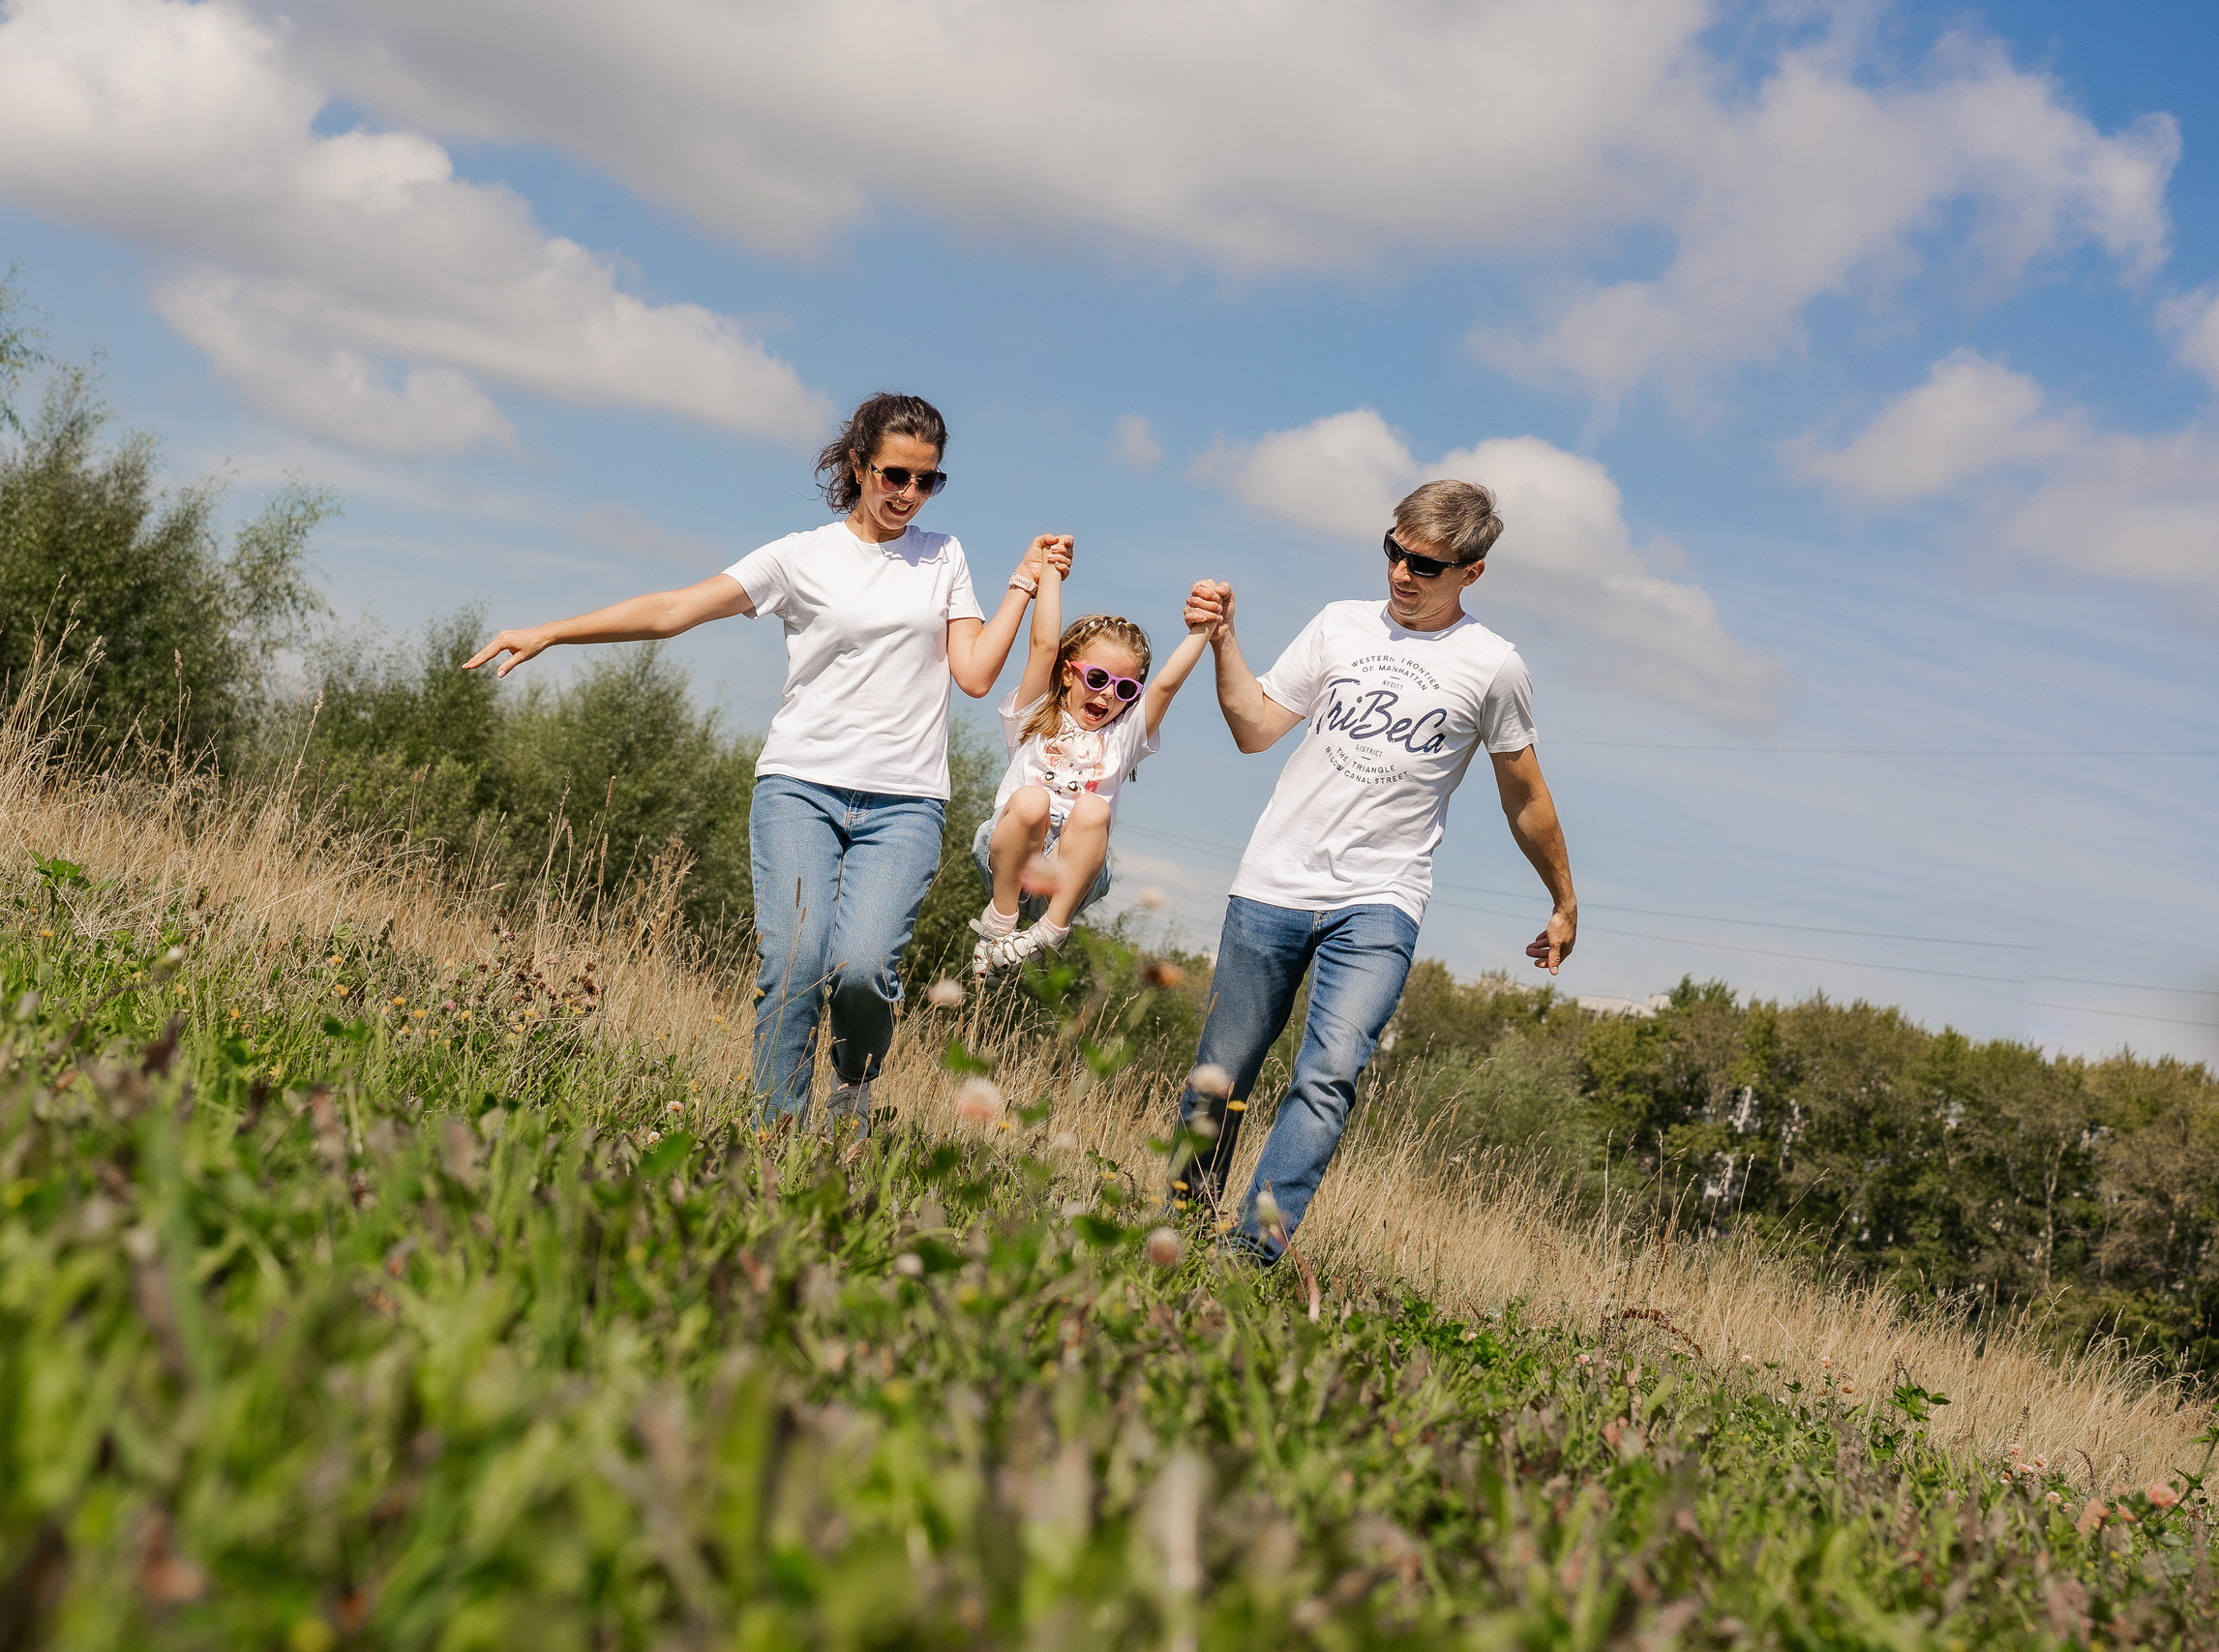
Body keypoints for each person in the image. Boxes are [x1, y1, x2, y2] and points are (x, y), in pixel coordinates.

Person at [462, 391, 1069, 1129]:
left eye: (927, 479)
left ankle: (853, 1081)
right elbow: (673, 609)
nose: (909, 493)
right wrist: (552, 631)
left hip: (906, 801)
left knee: (862, 969)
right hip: (800, 788)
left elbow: (973, 673)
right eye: (894, 475)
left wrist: (1022, 583)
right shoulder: (800, 556)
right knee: (794, 965)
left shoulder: (943, 555)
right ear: (859, 465)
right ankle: (773, 1138)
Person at [1174, 478, 1575, 1259]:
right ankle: (1177, 1230)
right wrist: (1225, 641)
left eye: (1426, 565)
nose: (1401, 573)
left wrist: (1564, 900)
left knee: (1328, 1074)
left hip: (1381, 899)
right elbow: (1255, 728)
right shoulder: (1338, 624)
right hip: (1272, 881)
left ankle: (1249, 1253)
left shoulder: (1493, 667)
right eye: (1395, 551)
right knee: (1220, 1073)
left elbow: (1525, 796)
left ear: (1472, 572)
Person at [970, 562, 1209, 977]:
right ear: (1068, 673)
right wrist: (1051, 571)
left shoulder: (1124, 737)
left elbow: (1166, 685)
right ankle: (1000, 923)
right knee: (1030, 801)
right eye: (1097, 678)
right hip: (1013, 856)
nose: (1108, 694)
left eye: (1124, 688)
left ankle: (1051, 931)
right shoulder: (1033, 714)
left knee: (1094, 808)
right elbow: (1044, 645)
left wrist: (1203, 628)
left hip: (1073, 869)